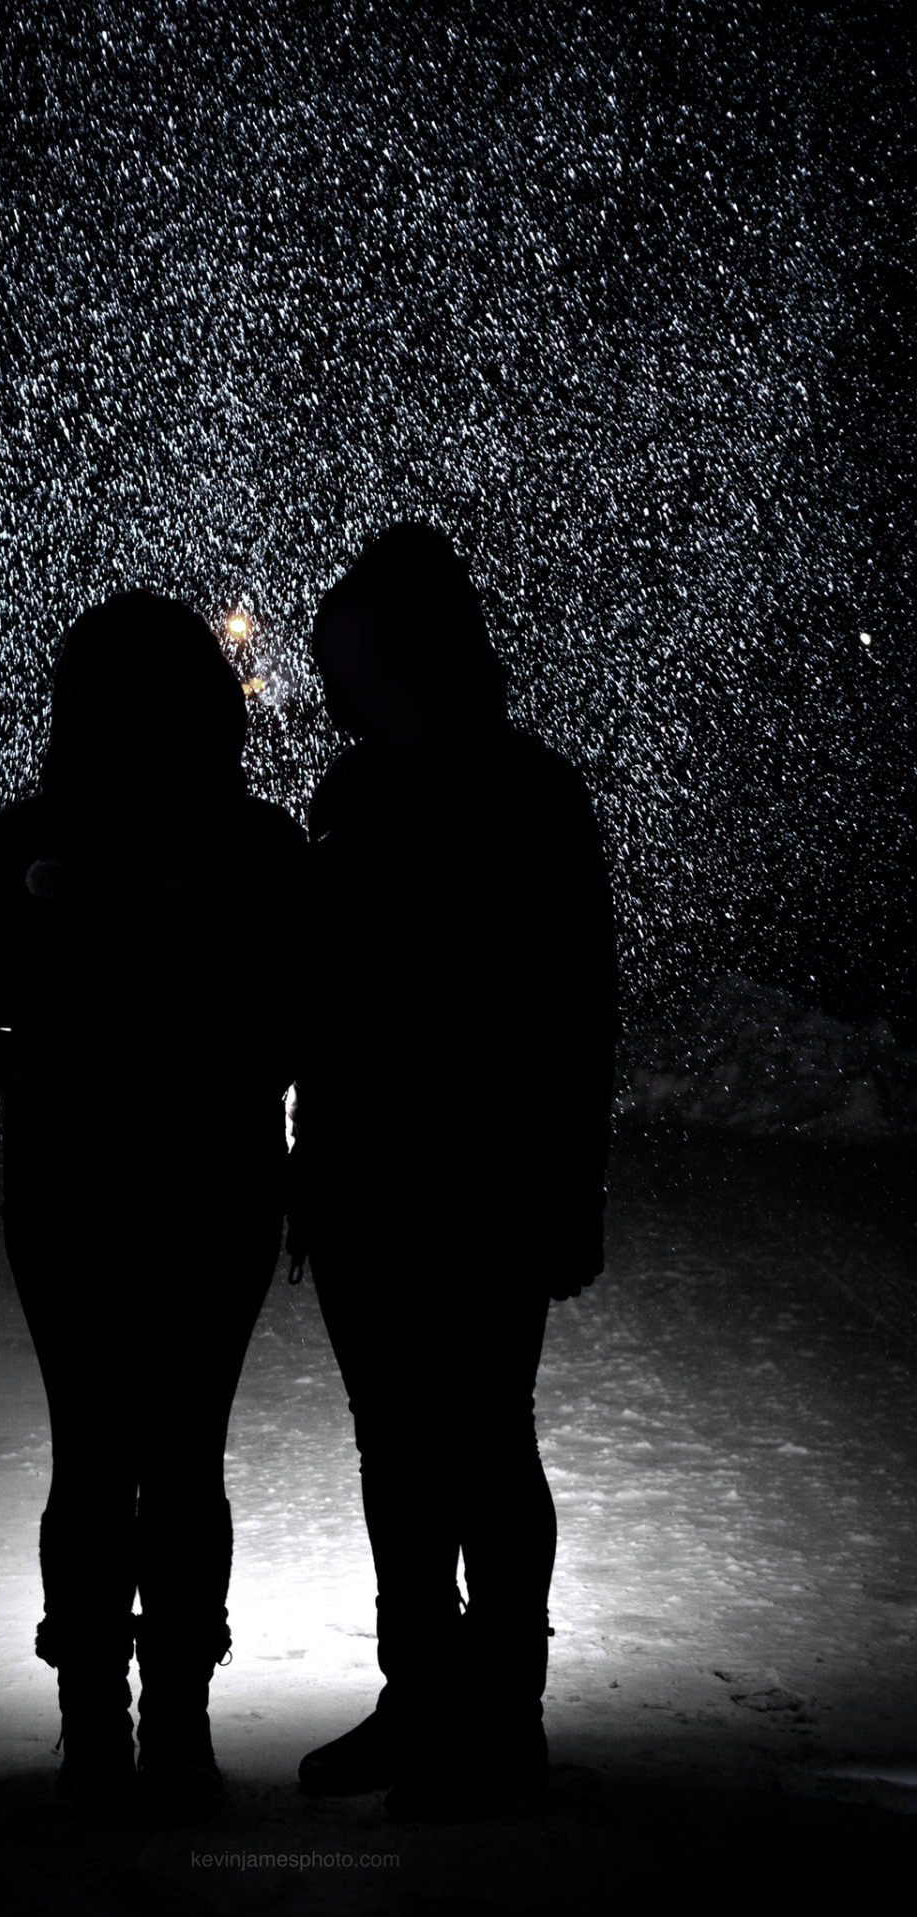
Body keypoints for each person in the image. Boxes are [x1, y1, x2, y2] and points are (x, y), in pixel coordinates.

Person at [0, 591, 306, 1824]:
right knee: (178, 1451)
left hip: (72, 1180)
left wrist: (47, 1080)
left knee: (93, 1448)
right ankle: (173, 1727)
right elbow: (302, 1015)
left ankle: (99, 1723)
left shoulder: (20, 844)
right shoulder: (259, 847)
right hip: (212, 1179)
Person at [290, 524, 617, 1821]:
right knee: (409, 1444)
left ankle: (492, 1711)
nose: (342, 680)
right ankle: (435, 1695)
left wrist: (569, 1187)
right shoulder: (361, 796)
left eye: (358, 654)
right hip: (381, 1175)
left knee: (473, 1440)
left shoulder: (526, 798)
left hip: (475, 1176)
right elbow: (321, 992)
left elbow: (579, 1008)